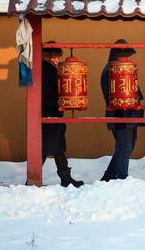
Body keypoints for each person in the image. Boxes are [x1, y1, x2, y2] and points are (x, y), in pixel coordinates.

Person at [100, 39, 145, 181]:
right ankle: (122, 179)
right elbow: (120, 94)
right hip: (120, 113)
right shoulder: (112, 69)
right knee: (124, 148)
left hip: (130, 113)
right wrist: (137, 102)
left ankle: (108, 176)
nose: (129, 59)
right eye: (127, 56)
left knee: (127, 146)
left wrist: (139, 101)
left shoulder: (122, 68)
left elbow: (130, 90)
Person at [39, 42, 84, 187]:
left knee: (52, 148)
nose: (58, 59)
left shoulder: (47, 70)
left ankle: (65, 178)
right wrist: (58, 104)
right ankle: (63, 178)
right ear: (50, 56)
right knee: (52, 148)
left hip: (51, 115)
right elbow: (46, 94)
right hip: (49, 114)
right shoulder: (46, 72)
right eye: (57, 56)